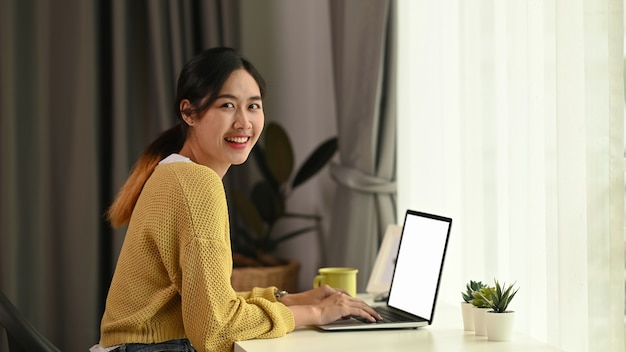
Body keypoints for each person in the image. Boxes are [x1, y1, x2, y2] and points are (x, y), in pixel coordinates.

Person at [90, 47, 381, 352]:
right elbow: (216, 329)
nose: (244, 122)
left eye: (253, 106)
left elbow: (207, 302)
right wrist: (316, 313)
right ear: (189, 113)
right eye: (227, 105)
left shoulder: (173, 172)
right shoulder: (195, 183)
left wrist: (285, 299)